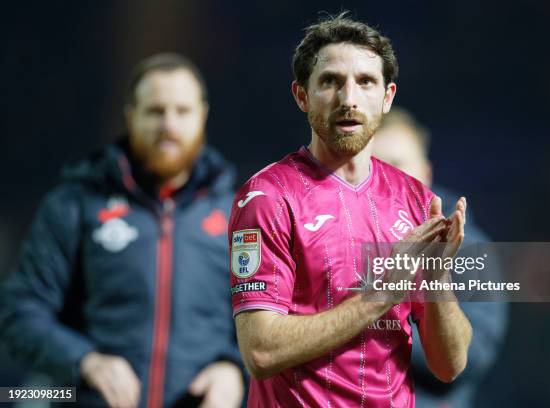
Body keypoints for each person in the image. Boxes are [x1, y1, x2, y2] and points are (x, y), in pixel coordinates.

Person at [228, 13, 472, 407]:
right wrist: (381, 295)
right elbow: (260, 352)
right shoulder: (267, 197)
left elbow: (450, 365)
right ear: (301, 95)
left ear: (387, 96)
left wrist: (435, 275)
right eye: (330, 82)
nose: (349, 99)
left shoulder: (415, 199)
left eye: (365, 81)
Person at [0, 53, 244, 408]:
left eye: (182, 111)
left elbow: (275, 315)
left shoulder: (241, 212)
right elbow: (20, 312)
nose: (169, 125)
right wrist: (85, 361)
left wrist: (236, 369)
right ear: (130, 115)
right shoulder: (76, 202)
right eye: (155, 111)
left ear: (203, 115)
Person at [373, 107, 509, 408]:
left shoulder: (467, 246)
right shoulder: (330, 237)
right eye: (373, 165)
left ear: (426, 172)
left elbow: (474, 354)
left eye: (397, 163)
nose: (387, 176)